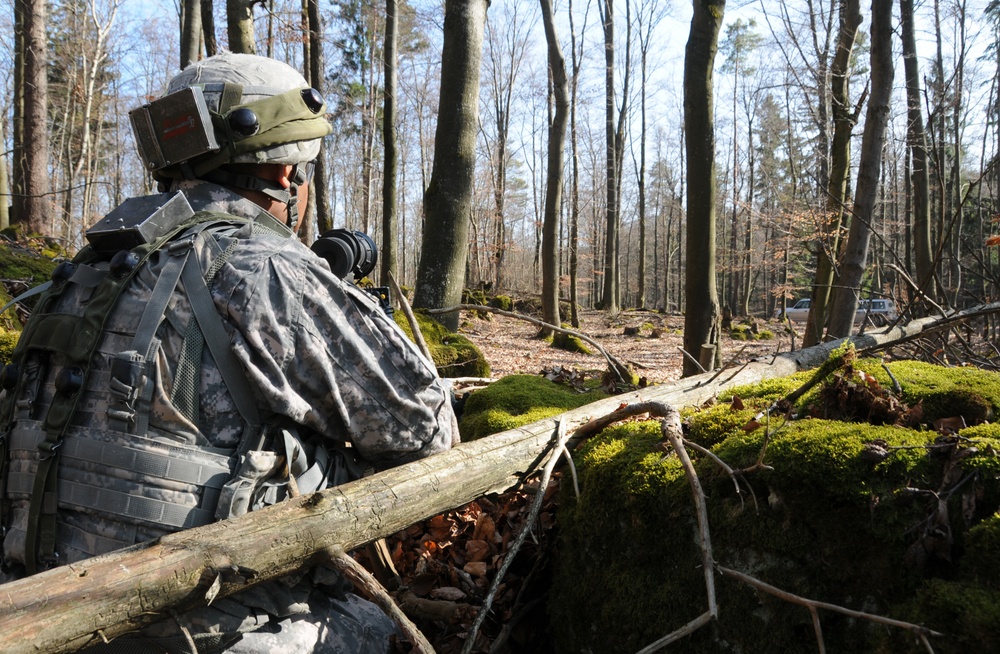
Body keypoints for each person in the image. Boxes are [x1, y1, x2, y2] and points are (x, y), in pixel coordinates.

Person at [0, 52, 458, 652]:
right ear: (285, 176)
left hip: (33, 604)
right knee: (378, 629)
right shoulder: (263, 270)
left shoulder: (88, 271)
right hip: (190, 627)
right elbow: (426, 430)